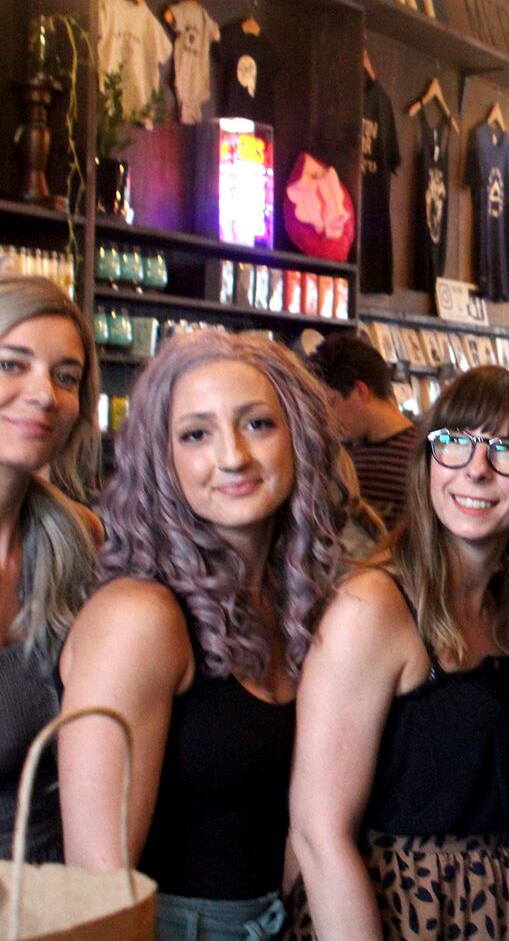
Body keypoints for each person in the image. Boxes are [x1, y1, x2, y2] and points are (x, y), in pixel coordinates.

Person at [58, 331, 346, 940]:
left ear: (301, 438)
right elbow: (97, 883)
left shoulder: (296, 601)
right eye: (196, 434)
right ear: (163, 460)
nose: (233, 456)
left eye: (258, 424)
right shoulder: (139, 616)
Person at [288, 366, 509, 941]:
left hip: (499, 915)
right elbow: (318, 834)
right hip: (396, 916)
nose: (476, 468)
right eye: (455, 443)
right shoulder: (375, 607)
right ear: (427, 465)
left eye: (507, 450)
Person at [0, 276, 102, 863]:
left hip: (57, 907)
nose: (45, 394)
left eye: (65, 376)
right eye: (13, 365)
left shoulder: (79, 540)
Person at [308, 333, 418, 529]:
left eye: (331, 403)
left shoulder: (424, 457)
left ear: (360, 391)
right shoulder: (339, 455)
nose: (326, 418)